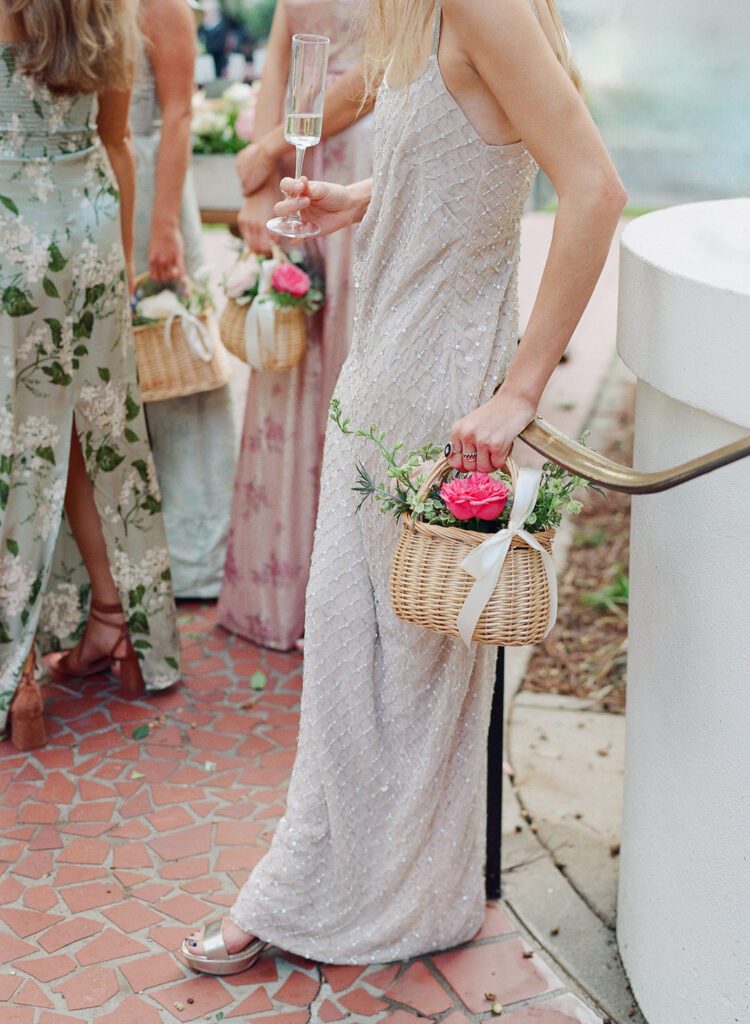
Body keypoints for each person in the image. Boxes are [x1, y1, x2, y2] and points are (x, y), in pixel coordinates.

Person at [181, 0, 626, 971]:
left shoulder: (479, 4)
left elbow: (593, 188)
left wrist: (520, 387)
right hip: (385, 367)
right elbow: (468, 161)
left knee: (380, 663)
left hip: (436, 388)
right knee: (377, 662)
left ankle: (307, 890)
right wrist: (362, 200)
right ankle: (408, 894)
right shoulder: (420, 14)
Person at [0, 0, 181, 746]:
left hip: (10, 231)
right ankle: (127, 630)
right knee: (104, 435)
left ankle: (20, 682)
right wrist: (126, 276)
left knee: (15, 449)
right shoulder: (110, 7)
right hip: (93, 235)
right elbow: (118, 144)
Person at [217, 0, 373, 651]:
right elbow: (279, 60)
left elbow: (381, 70)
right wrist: (259, 185)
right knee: (292, 361)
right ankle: (279, 590)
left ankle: (352, 608)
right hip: (297, 168)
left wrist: (275, 146)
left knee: (351, 364)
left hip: (365, 159)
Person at [132, 0, 237, 598]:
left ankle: (196, 561)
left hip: (157, 185)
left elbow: (177, 113)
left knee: (184, 375)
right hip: (103, 183)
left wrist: (164, 224)